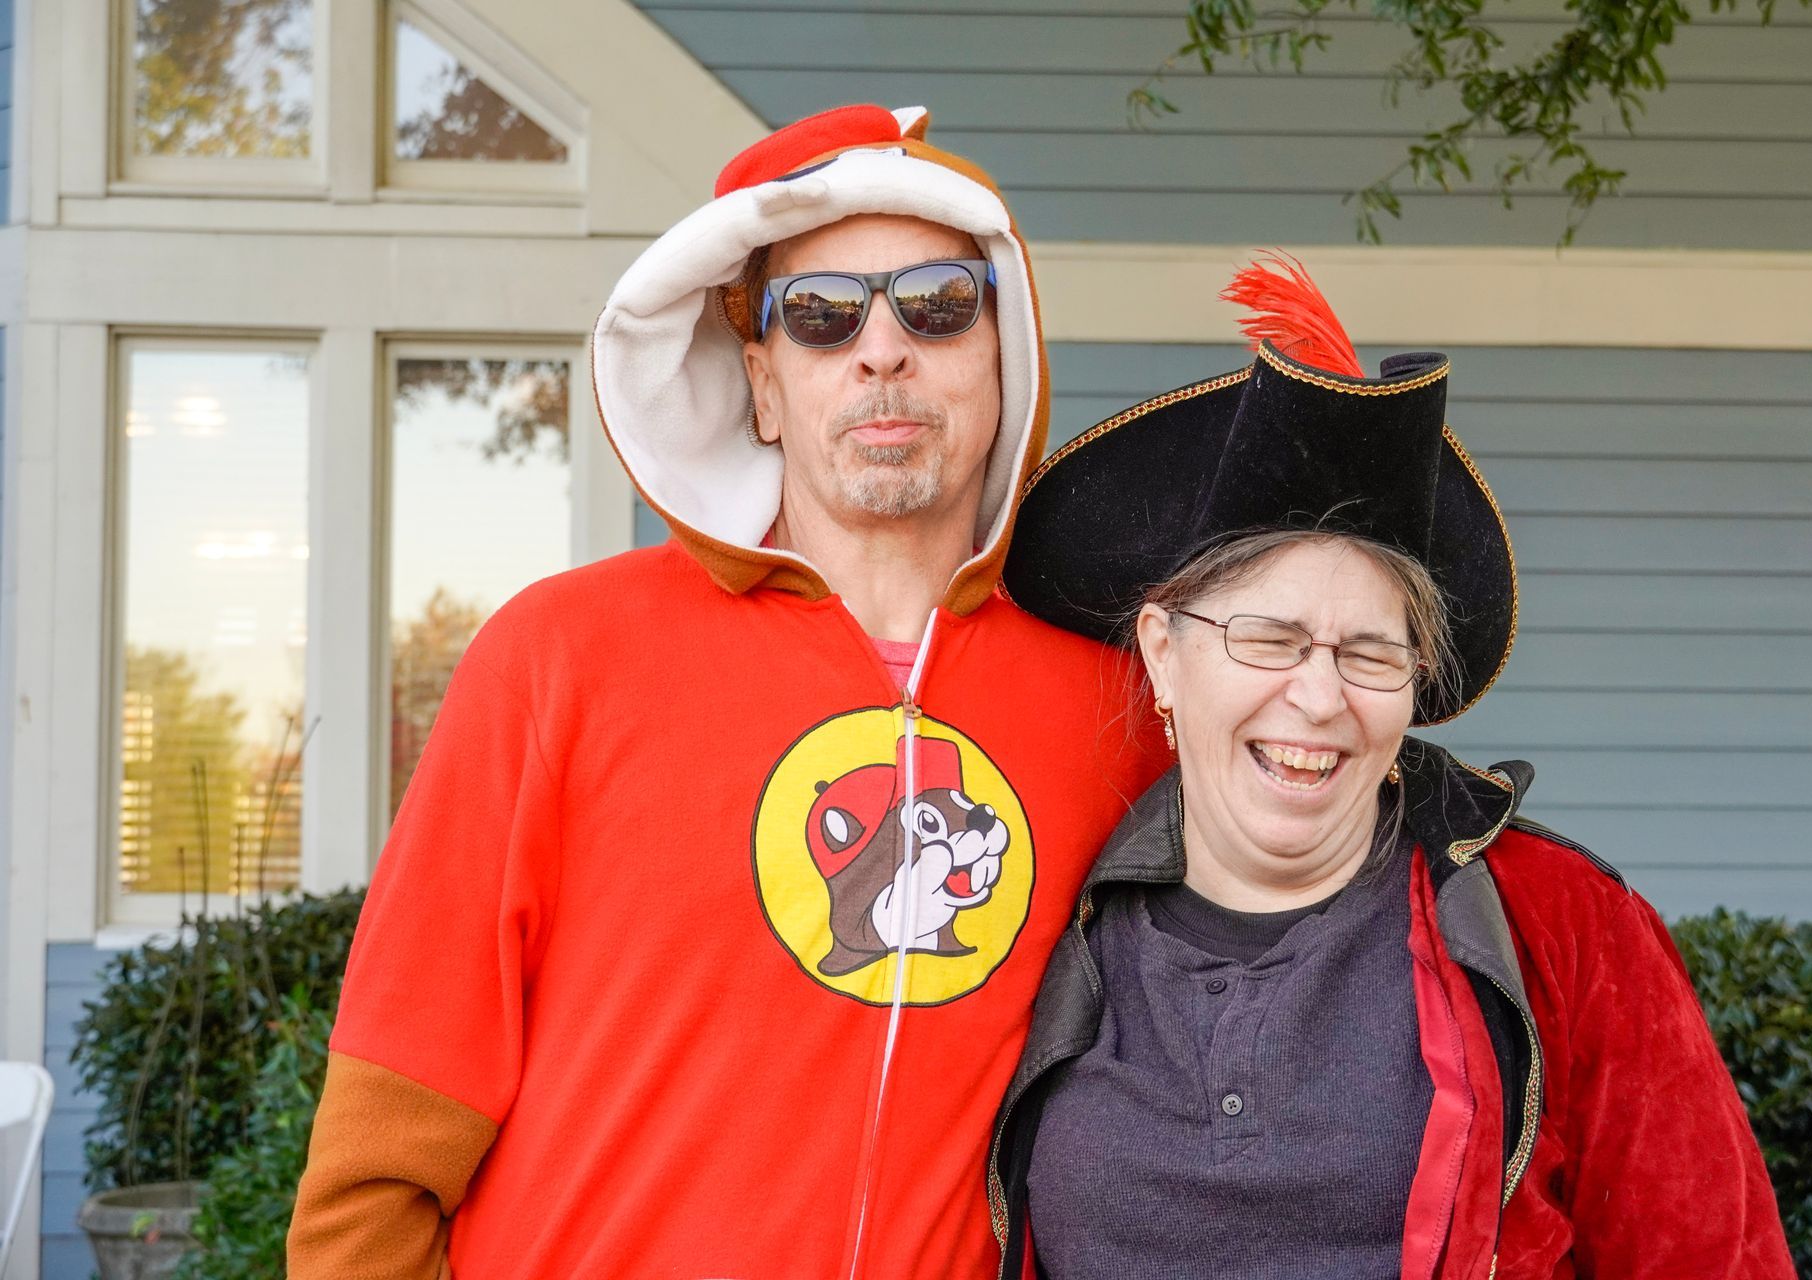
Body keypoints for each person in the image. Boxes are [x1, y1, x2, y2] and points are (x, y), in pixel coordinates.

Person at [286, 104, 1162, 1280]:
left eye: (939, 303)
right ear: (762, 383)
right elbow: (378, 1163)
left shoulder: (1122, 708)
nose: (883, 349)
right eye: (822, 313)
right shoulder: (558, 657)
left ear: (1008, 356)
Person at [988, 256, 1796, 1279]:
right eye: (1269, 639)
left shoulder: (1566, 924)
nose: (1319, 697)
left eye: (1369, 654)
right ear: (1163, 653)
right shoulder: (1041, 908)